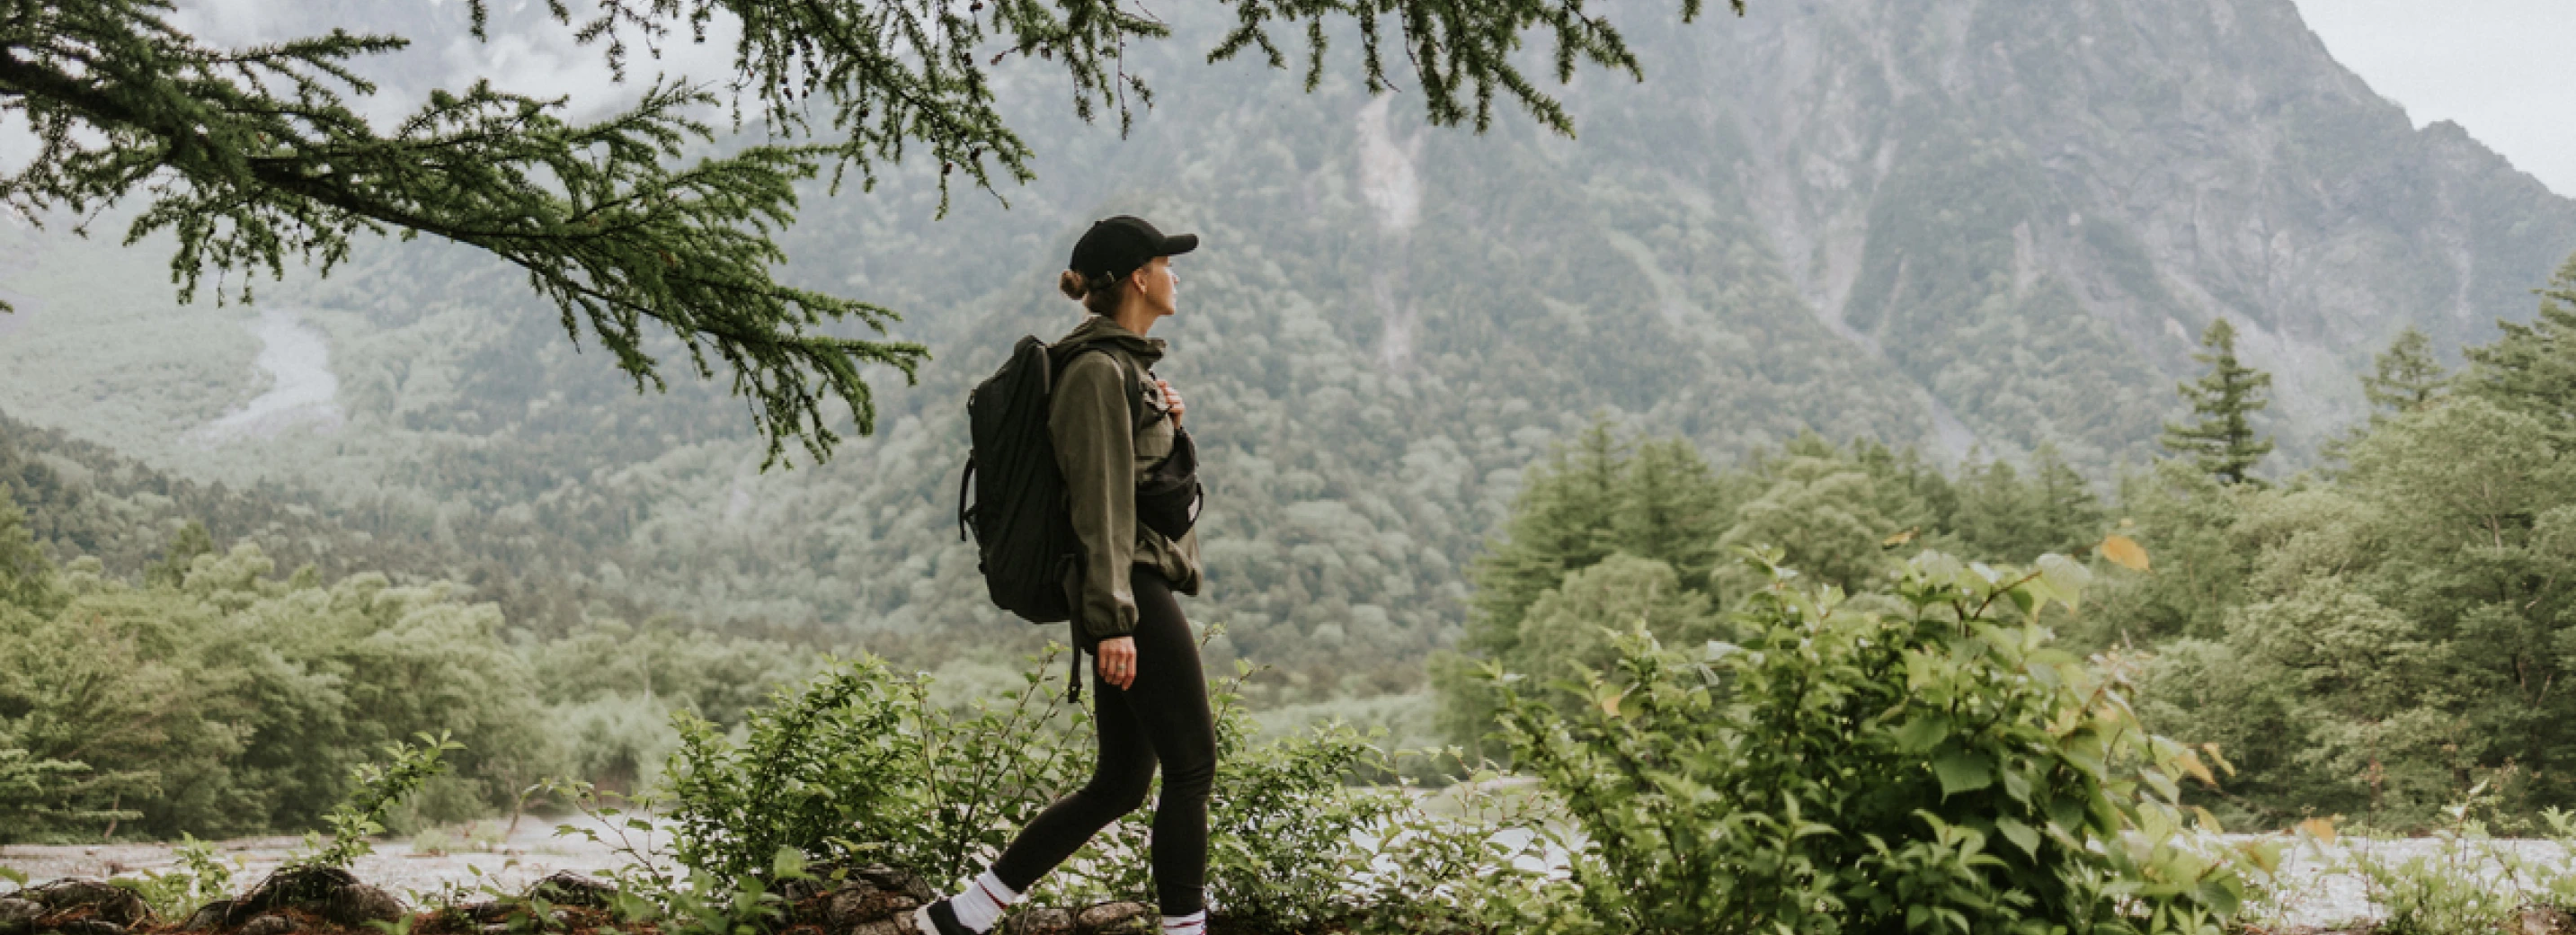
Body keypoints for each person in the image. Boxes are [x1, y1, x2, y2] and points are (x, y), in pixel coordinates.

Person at [917, 216, 1214, 935]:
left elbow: (1148, 488)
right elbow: (1099, 504)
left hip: (1126, 584)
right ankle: (1185, 931)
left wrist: (1173, 422)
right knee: (1192, 766)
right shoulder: (1093, 372)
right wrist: (1114, 621)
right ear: (1139, 278)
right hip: (1126, 588)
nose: (1177, 274)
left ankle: (961, 917)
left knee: (1120, 783)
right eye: (1165, 263)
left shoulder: (1123, 369)